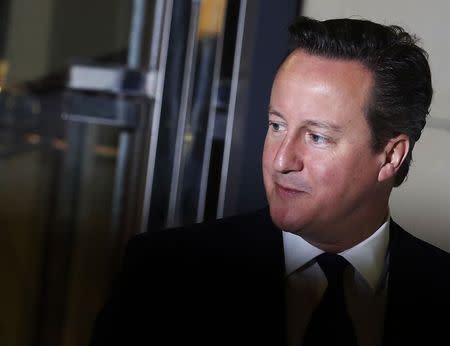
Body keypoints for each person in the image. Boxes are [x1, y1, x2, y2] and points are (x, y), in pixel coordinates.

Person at [89, 16, 450, 346]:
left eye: (317, 137)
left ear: (390, 156)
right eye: (277, 125)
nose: (280, 160)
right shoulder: (163, 276)